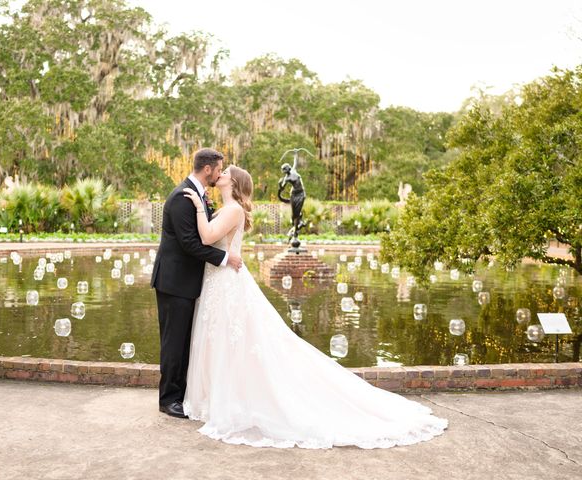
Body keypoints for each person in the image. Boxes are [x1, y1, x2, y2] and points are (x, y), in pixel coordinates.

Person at [181, 165, 448, 449]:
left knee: (235, 341)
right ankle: (218, 398)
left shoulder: (233, 209)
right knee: (221, 341)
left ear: (234, 182)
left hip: (227, 285)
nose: (220, 173)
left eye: (226, 172)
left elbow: (208, 238)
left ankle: (235, 402)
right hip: (218, 282)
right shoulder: (226, 209)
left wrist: (198, 206)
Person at [151, 148, 242, 419]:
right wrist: (226, 257)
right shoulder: (181, 197)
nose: (219, 174)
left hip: (187, 282)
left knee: (183, 342)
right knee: (173, 343)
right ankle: (168, 399)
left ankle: (180, 395)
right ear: (207, 170)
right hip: (173, 282)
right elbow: (189, 244)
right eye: (218, 169)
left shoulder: (200, 195)